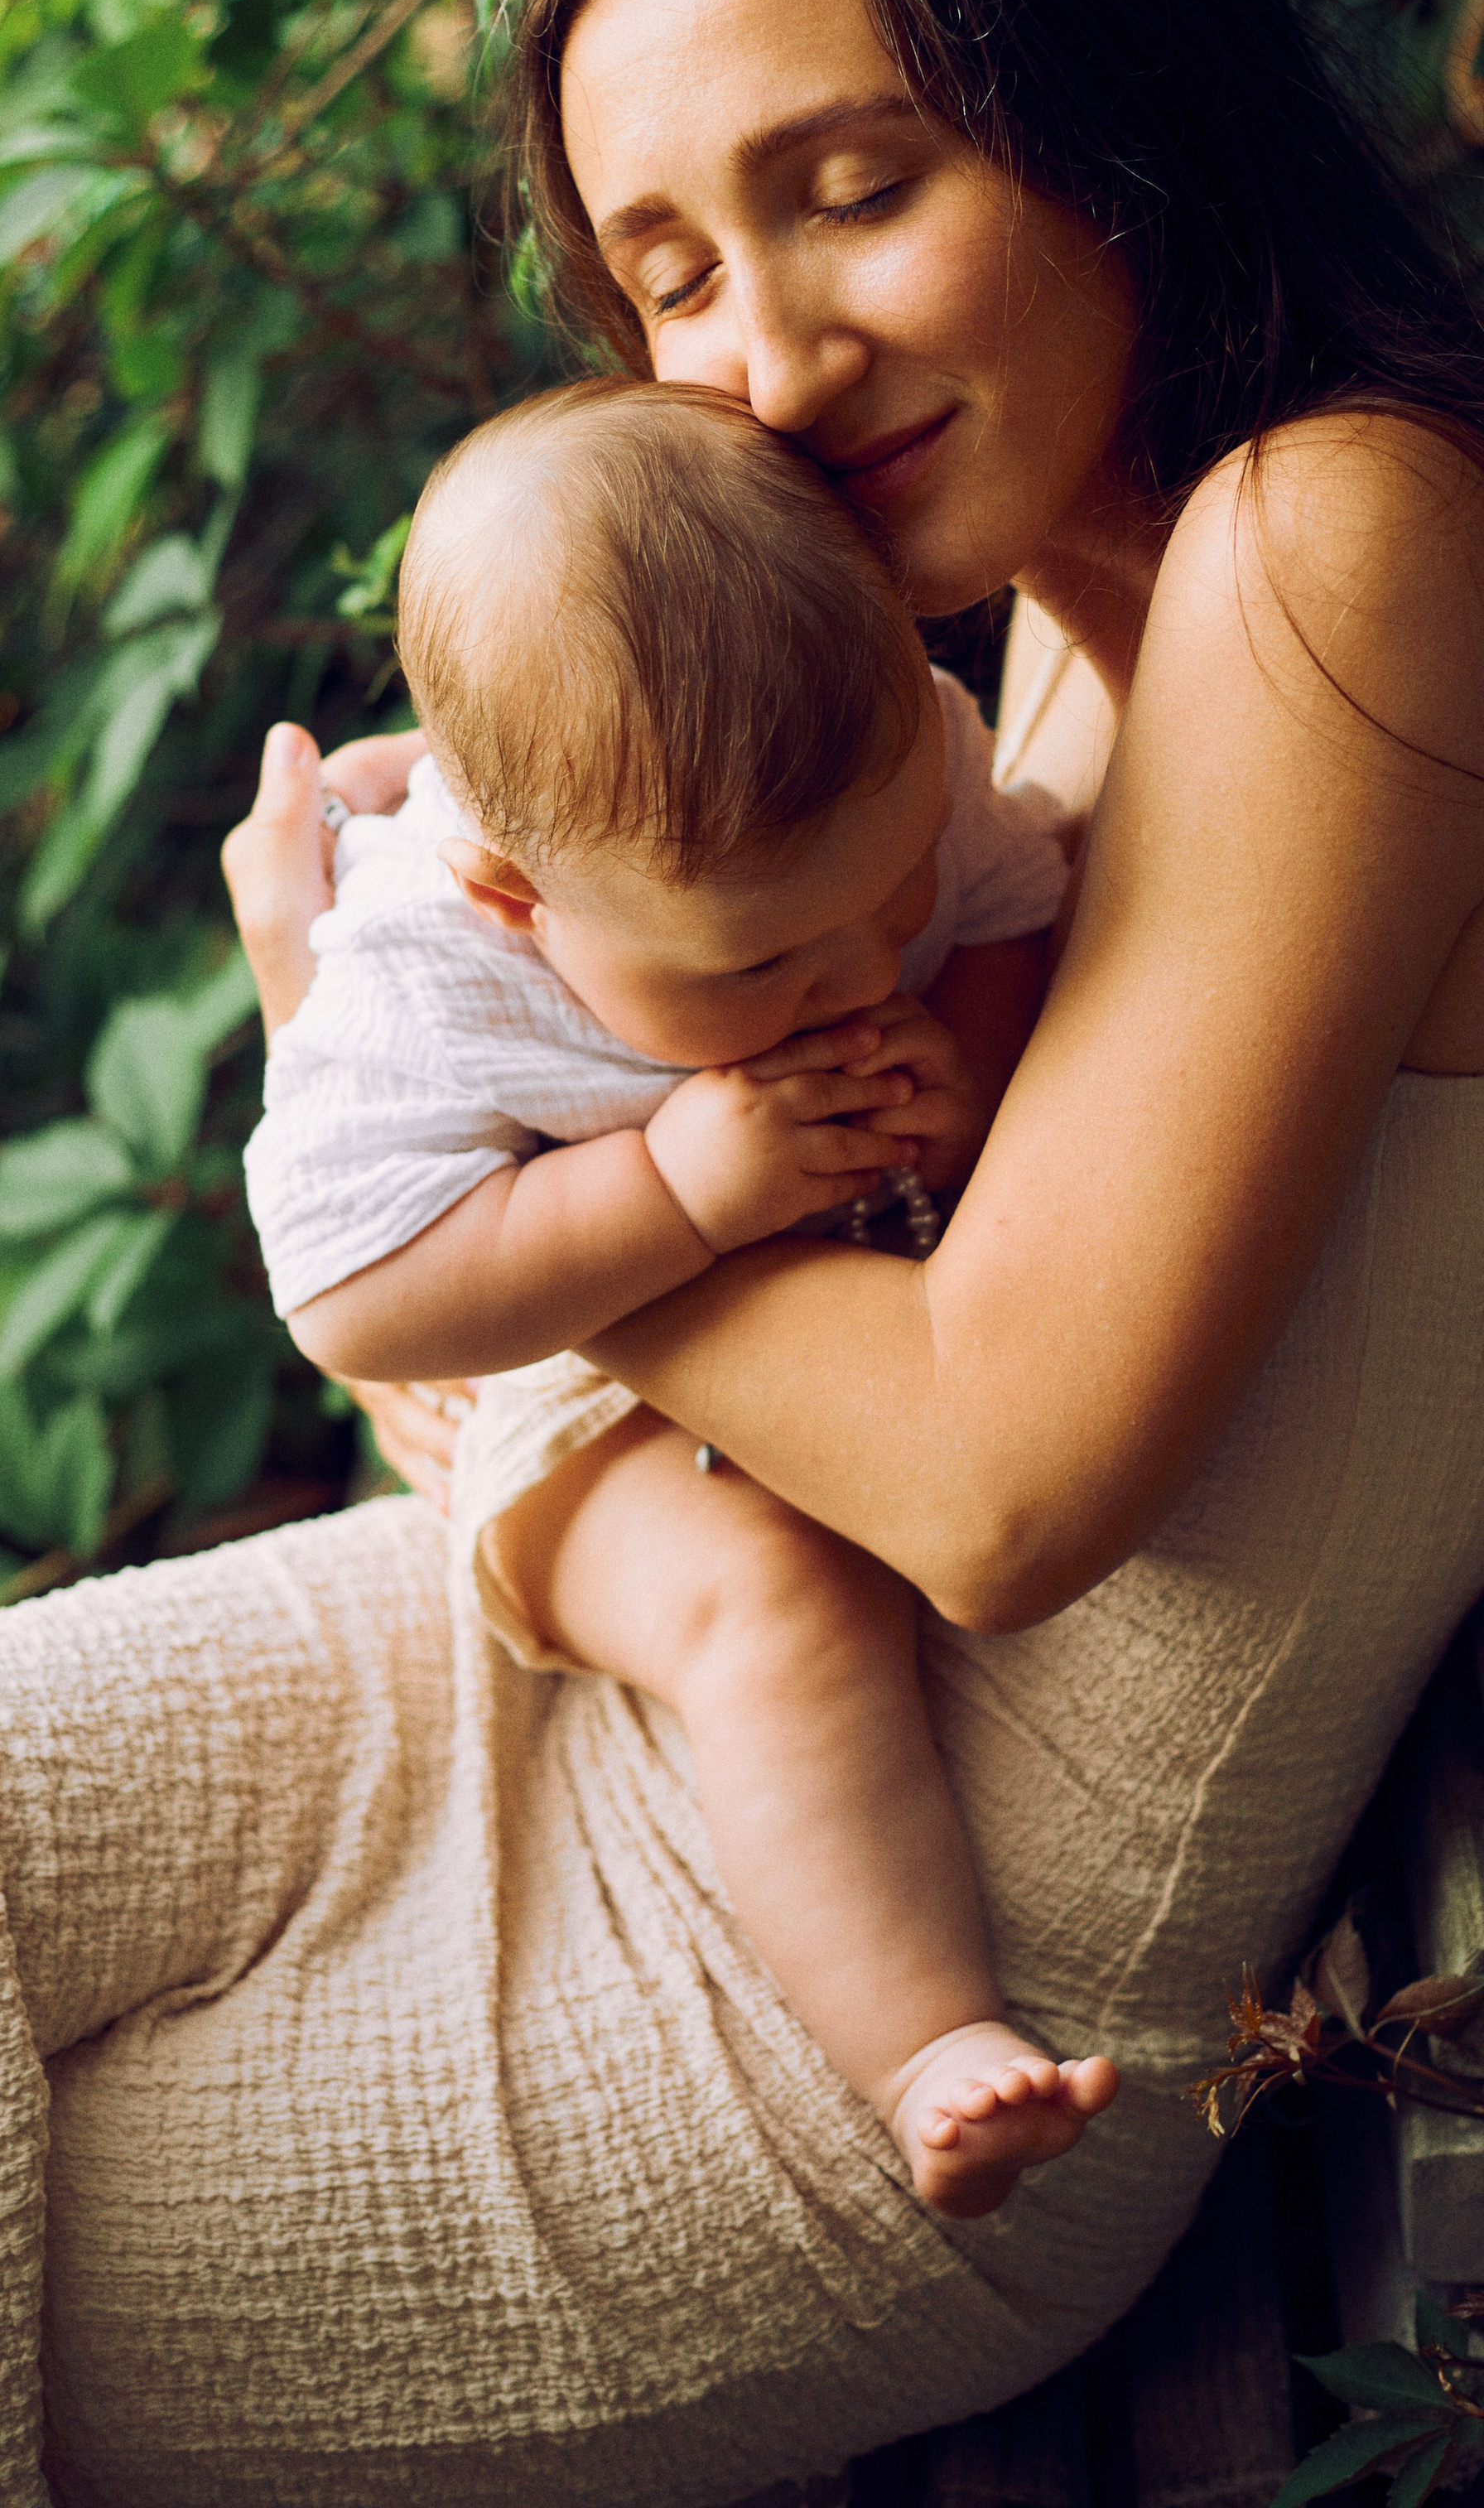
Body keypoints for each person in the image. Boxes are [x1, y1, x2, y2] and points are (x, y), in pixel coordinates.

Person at [0, 0, 1484, 2507]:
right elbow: (547, 1373)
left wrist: (480, 1167)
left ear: (1094, 110)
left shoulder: (1338, 560)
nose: (773, 358)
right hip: (657, 1697)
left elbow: (976, 1473)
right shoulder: (1045, 648)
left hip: (847, 2043)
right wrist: (458, 1134)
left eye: (855, 190)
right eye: (671, 274)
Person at [245, 376, 1112, 2213]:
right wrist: (662, 1187)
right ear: (511, 894)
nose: (860, 958)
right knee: (775, 1601)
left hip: (859, 1292)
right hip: (571, 1410)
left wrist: (965, 1051)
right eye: (764, 965)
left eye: (880, 899)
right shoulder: (415, 968)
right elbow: (351, 1304)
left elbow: (1013, 898)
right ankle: (925, 2048)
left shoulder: (890, 764)